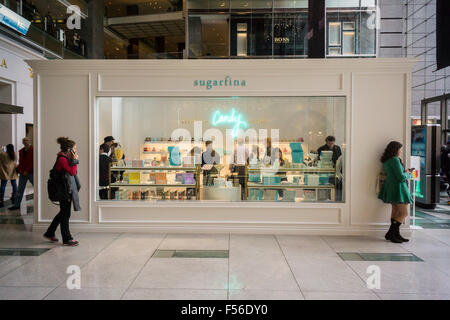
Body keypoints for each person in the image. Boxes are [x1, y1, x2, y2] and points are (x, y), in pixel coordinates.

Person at [44, 137, 80, 246]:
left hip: (65, 189)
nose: (76, 150)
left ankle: (49, 233)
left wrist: (74, 160)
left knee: (63, 213)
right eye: (75, 148)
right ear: (69, 150)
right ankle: (67, 238)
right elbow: (72, 172)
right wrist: (75, 161)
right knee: (65, 214)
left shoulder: (64, 157)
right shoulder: (62, 159)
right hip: (63, 190)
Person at [378, 141, 413, 243]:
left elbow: (395, 174)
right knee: (404, 212)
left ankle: (394, 234)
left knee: (395, 211)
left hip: (391, 187)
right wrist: (408, 173)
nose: (401, 151)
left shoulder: (387, 160)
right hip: (399, 188)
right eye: (400, 149)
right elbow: (401, 177)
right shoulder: (395, 160)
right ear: (395, 149)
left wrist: (404, 172)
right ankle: (391, 233)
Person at [9, 137, 33, 211]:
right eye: (24, 141)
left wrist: (27, 170)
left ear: (29, 141)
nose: (25, 142)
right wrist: (20, 170)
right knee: (20, 189)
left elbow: (33, 162)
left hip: (30, 172)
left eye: (27, 140)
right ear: (22, 142)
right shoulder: (21, 151)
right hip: (22, 173)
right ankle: (16, 205)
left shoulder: (33, 150)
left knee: (37, 187)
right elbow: (21, 162)